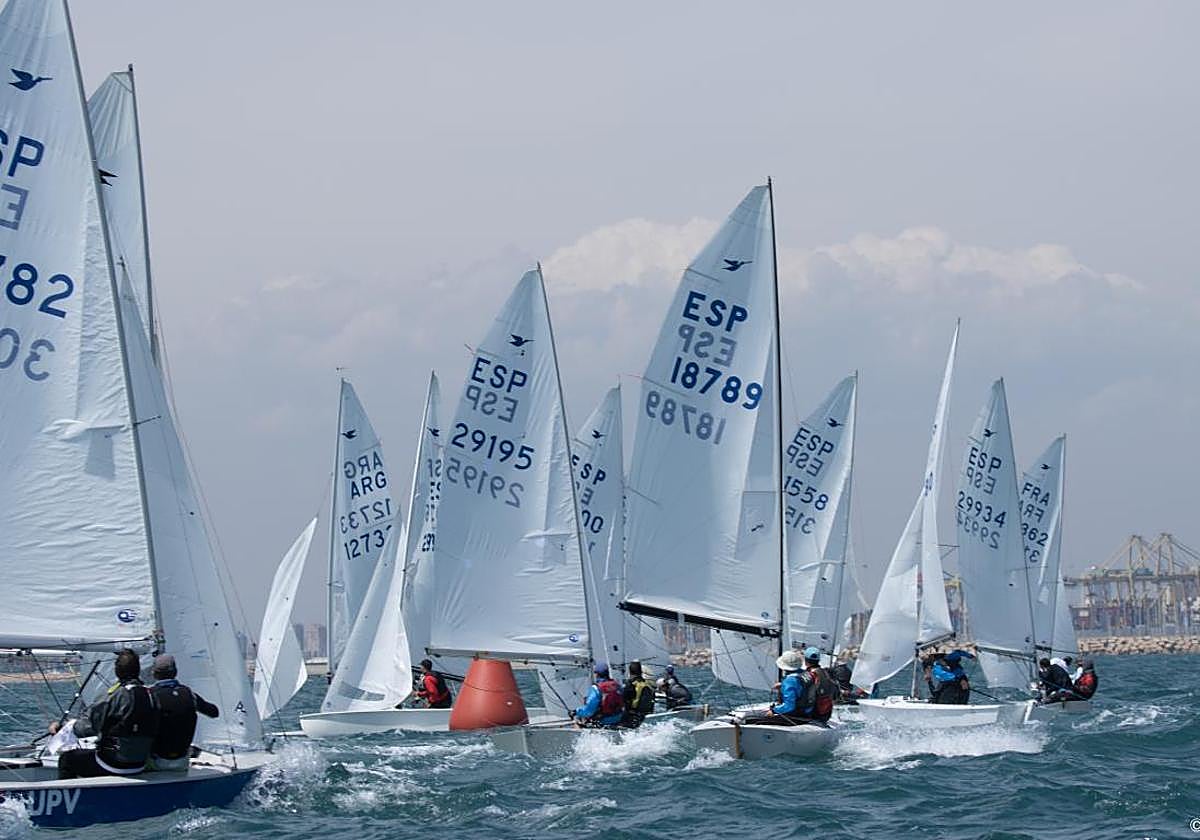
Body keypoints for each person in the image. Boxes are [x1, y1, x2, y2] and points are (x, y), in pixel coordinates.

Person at [52, 649, 159, 779]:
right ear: (137, 670)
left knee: (66, 760)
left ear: (117, 671)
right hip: (140, 763)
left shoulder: (113, 696)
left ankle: (73, 797)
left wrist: (63, 727)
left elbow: (86, 728)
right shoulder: (152, 695)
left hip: (113, 763)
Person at [148, 654, 219, 771]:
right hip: (181, 761)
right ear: (175, 672)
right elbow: (214, 712)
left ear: (154, 673)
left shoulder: (149, 695)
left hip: (156, 761)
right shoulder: (189, 694)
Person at [750, 647, 835, 725]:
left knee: (758, 721)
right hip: (809, 712)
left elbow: (789, 706)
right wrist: (782, 685)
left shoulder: (790, 681)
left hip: (798, 716)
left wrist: (773, 710)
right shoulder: (807, 674)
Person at [572, 663, 624, 728]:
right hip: (617, 719)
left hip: (602, 721)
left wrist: (575, 712)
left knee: (577, 720)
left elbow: (589, 711)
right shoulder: (617, 686)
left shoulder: (596, 688)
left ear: (597, 674)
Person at [620, 660, 656, 728]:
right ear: (641, 672)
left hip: (630, 720)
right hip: (643, 719)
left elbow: (623, 703)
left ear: (630, 672)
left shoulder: (630, 685)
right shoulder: (648, 686)